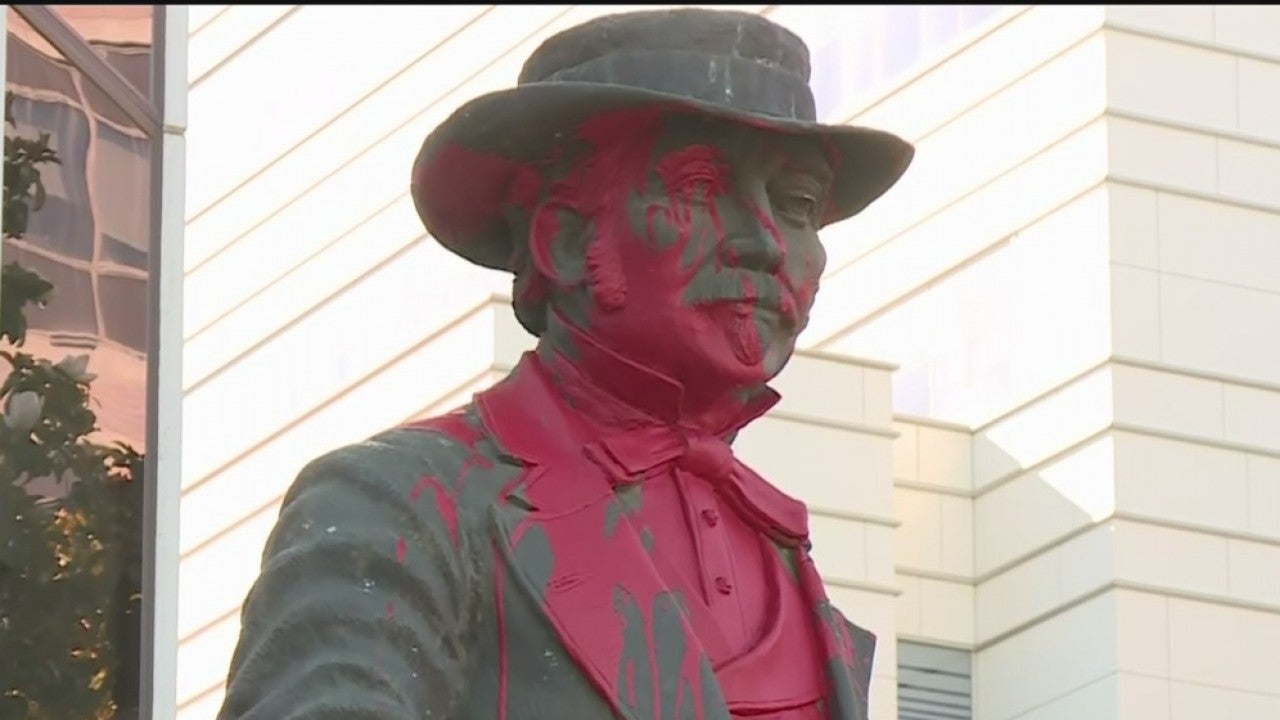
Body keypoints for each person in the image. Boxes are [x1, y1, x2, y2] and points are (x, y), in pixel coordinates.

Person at [217, 8, 913, 720]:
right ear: (565, 239)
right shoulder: (399, 499)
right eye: (701, 189)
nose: (766, 243)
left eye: (796, 205)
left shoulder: (786, 558)